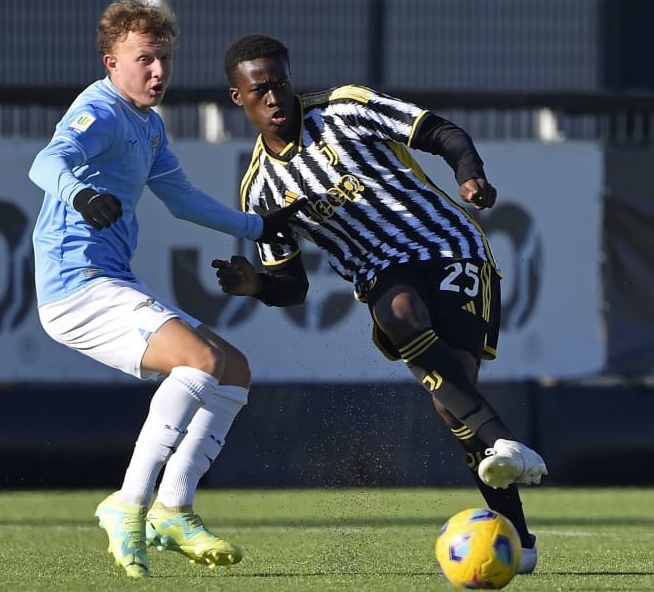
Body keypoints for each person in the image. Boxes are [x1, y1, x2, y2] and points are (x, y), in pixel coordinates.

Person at [211, 33, 548, 575]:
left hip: (449, 246)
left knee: (452, 397)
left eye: (280, 84)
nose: (274, 99)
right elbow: (291, 285)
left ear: (290, 78)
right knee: (406, 329)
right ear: (238, 98)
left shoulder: (346, 108)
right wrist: (256, 285)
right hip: (381, 274)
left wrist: (470, 175)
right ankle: (510, 479)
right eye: (260, 92)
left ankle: (514, 507)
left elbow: (441, 132)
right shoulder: (262, 190)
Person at [28, 0, 299, 579]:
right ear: (111, 63)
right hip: (75, 287)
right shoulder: (99, 109)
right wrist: (80, 194)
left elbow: (181, 200)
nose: (157, 72)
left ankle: (173, 509)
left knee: (233, 369)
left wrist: (258, 226)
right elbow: (46, 162)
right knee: (199, 360)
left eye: (164, 59)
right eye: (144, 59)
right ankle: (128, 504)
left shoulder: (147, 125)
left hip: (109, 283)